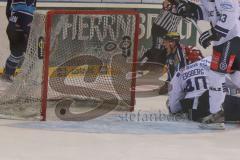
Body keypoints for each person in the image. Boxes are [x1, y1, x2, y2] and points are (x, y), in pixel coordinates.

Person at [164, 0, 240, 128]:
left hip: (231, 39)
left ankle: (216, 116)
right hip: (225, 41)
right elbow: (207, 13)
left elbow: (231, 14)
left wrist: (213, 34)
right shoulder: (206, 1)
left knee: (216, 75)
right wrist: (190, 9)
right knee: (236, 76)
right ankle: (216, 115)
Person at [168, 56, 240, 122]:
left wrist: (174, 109)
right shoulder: (216, 64)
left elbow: (174, 106)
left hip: (192, 112)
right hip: (208, 104)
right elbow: (234, 83)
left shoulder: (181, 71)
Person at [1, 0, 37, 82]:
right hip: (20, 26)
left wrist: (12, 23)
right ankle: (28, 76)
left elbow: (8, 11)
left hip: (13, 26)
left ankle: (7, 74)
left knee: (17, 53)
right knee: (29, 52)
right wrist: (24, 28)